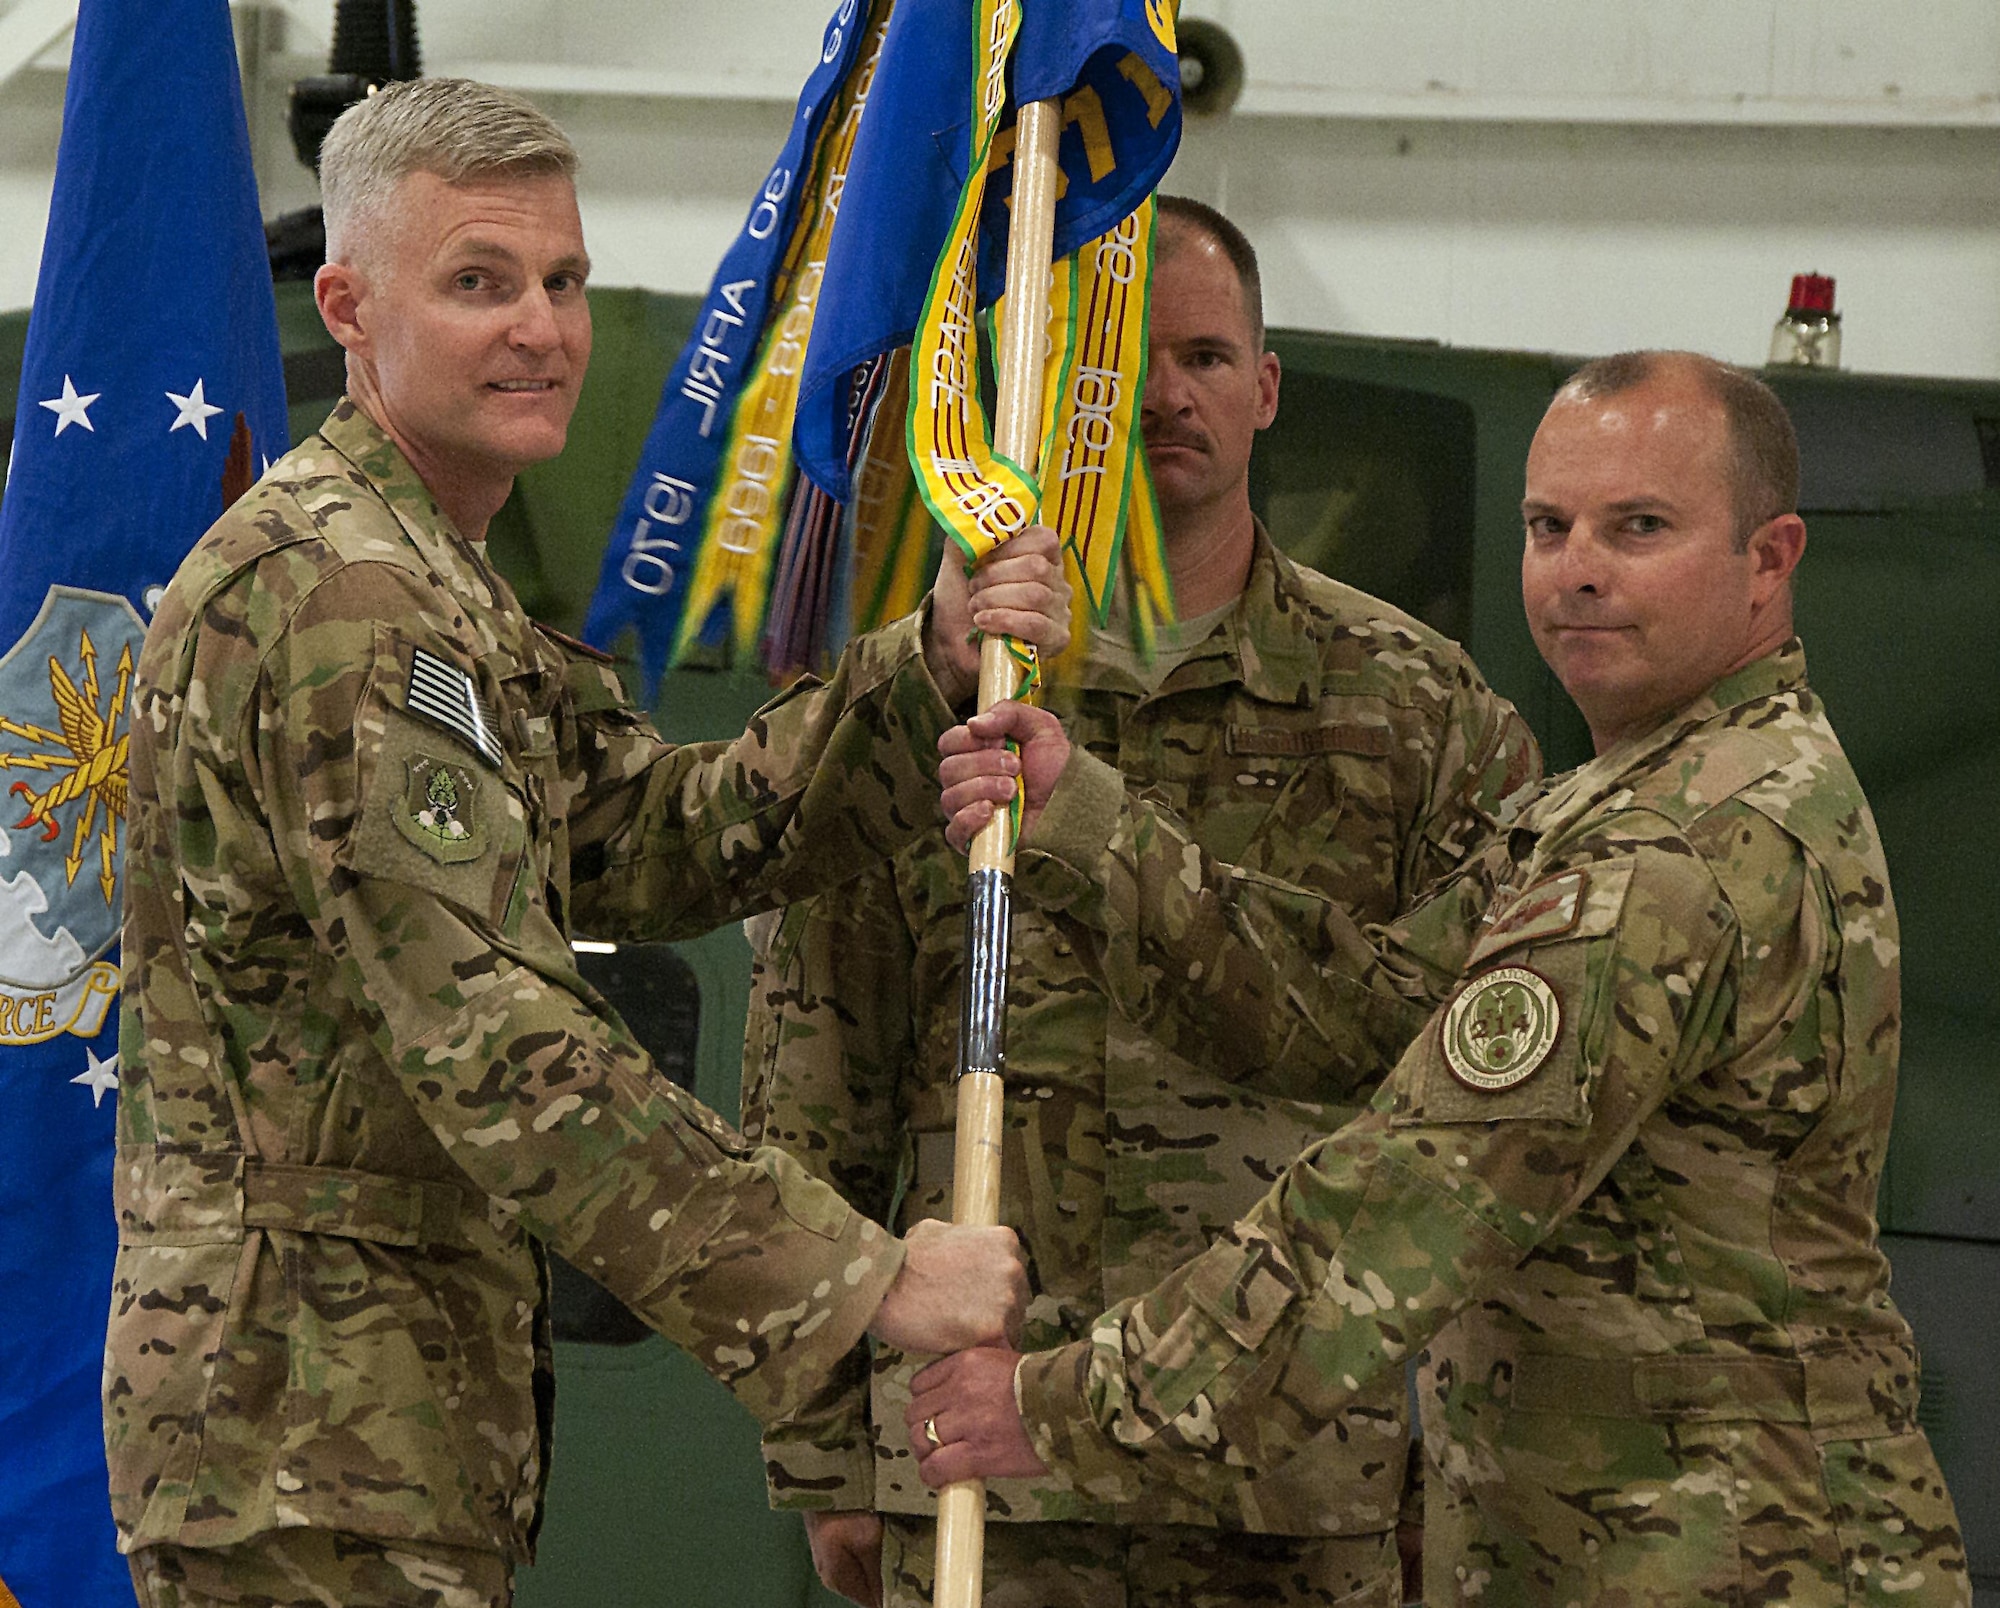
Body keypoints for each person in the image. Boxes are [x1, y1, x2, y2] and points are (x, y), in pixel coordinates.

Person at [106, 78, 1063, 1608]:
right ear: (349, 306)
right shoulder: (341, 599)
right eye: (479, 283)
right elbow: (492, 1036)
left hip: (374, 1417)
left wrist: (924, 672)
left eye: (564, 282)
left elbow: (635, 839)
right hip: (306, 1430)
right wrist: (870, 1279)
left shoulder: (435, 580)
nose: (540, 329)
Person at [914, 351, 1971, 1607]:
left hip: (1730, 1556)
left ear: (1767, 559)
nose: (1576, 567)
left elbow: (1405, 1199)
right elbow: (1362, 1012)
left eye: (1637, 528)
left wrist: (1065, 1405)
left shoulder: (1672, 853)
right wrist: (1086, 821)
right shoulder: (1620, 801)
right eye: (1547, 525)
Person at [739, 197, 1538, 1608]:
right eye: (1127, 365)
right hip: (984, 1462)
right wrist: (817, 1452)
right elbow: (818, 1072)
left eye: (1210, 358)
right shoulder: (937, 690)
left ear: (1268, 389)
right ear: (1049, 396)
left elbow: (1466, 1100)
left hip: (1290, 1478)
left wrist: (1443, 1456)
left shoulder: (1420, 710)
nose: (1170, 395)